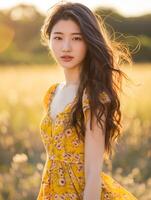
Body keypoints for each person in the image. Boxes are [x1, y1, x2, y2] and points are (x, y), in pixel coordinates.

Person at [37, 1, 137, 199]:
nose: (66, 47)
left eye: (76, 38)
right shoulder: (52, 93)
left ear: (89, 42)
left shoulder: (92, 97)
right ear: (49, 41)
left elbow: (92, 172)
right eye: (58, 37)